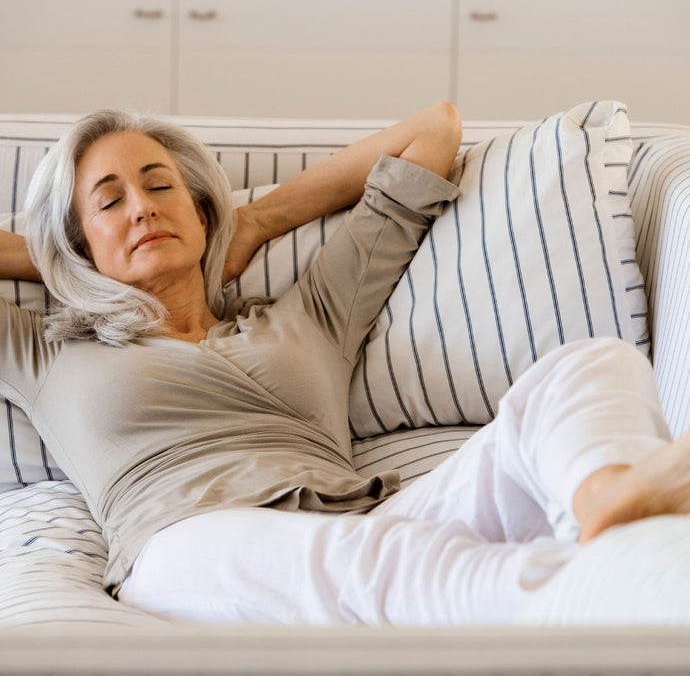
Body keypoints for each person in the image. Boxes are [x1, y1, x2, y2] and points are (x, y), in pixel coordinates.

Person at [1, 102, 689, 625]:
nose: (143, 209)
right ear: (75, 238)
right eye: (110, 201)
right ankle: (601, 588)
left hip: (365, 518)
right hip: (187, 543)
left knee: (591, 362)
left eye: (160, 188)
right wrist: (61, 263)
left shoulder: (308, 315)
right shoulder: (49, 352)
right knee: (394, 567)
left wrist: (260, 220)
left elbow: (434, 132)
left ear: (203, 211)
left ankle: (606, 494)